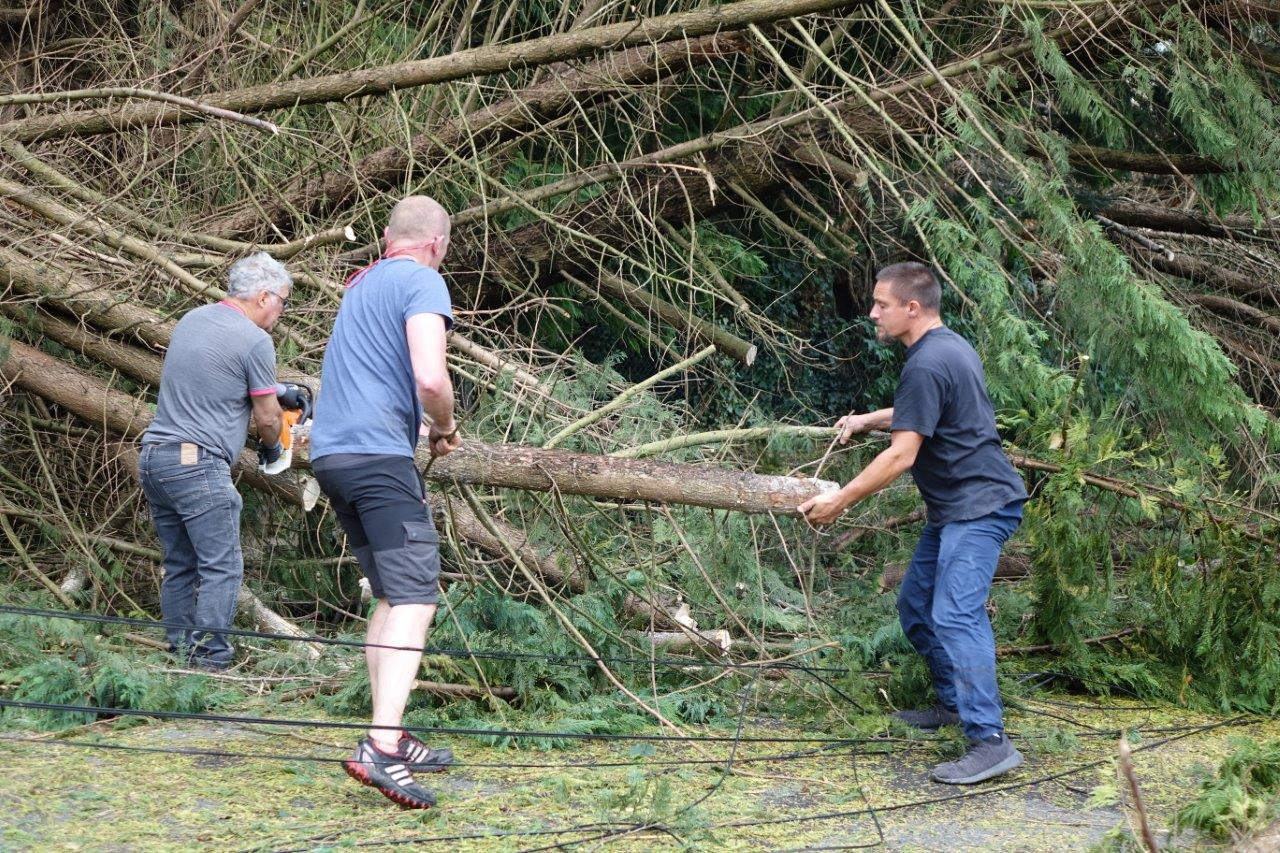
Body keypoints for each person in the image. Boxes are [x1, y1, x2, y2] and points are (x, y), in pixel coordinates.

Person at [798, 261, 1029, 785]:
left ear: (912, 308)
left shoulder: (927, 362)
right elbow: (919, 410)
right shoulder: (945, 348)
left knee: (955, 615)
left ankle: (989, 741)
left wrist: (842, 500)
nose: (872, 313)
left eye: (881, 304)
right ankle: (954, 704)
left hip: (979, 507)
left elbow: (902, 455)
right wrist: (865, 419)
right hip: (956, 508)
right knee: (917, 605)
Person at [309, 195, 461, 809]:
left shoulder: (361, 285)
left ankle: (392, 734)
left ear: (388, 236)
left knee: (392, 595)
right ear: (434, 243)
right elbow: (429, 377)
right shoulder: (423, 282)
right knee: (418, 596)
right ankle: (379, 745)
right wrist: (444, 427)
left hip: (332, 456)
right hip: (377, 461)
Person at [139, 252, 291, 671]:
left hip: (154, 456)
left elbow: (213, 379)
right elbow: (266, 416)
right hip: (196, 463)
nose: (282, 311)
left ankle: (181, 652)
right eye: (282, 301)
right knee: (221, 565)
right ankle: (211, 660)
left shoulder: (192, 319)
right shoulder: (255, 340)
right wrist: (275, 446)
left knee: (181, 563)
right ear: (263, 297)